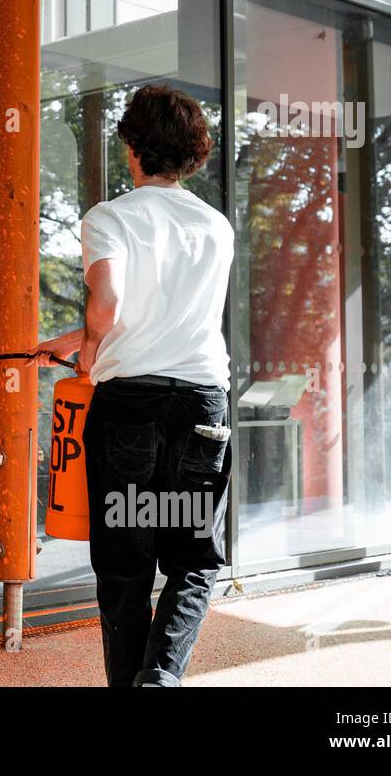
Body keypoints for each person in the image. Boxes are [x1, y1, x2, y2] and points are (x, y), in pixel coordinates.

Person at [31, 83, 234, 687]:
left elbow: (113, 303)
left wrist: (88, 355)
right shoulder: (215, 225)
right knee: (192, 560)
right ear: (192, 154)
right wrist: (74, 340)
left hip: (131, 408)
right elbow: (165, 309)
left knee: (125, 566)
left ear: (132, 147)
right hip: (201, 403)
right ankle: (161, 677)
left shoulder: (111, 217)